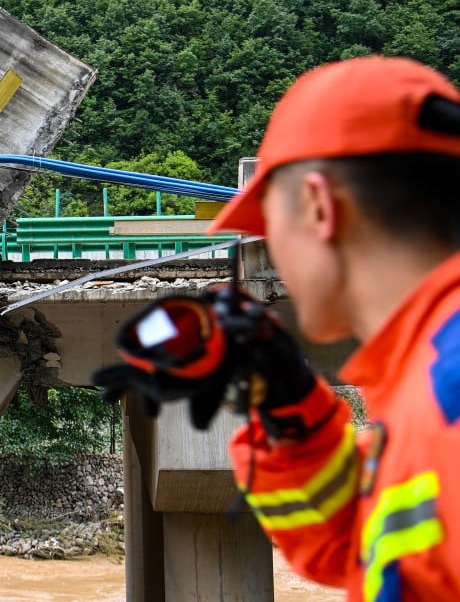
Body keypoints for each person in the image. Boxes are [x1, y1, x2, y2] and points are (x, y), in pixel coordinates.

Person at [94, 55, 460, 601]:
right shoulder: (422, 378)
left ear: (318, 207)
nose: (269, 253)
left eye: (266, 228)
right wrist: (290, 408)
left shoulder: (446, 382)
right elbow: (359, 548)